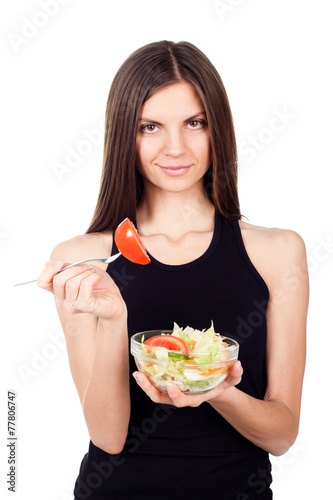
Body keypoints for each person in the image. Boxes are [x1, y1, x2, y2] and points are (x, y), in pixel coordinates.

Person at [37, 40, 309, 499]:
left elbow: (281, 436)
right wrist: (114, 318)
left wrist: (217, 389)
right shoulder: (82, 260)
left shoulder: (278, 251)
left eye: (194, 123)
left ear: (215, 127)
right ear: (126, 133)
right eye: (151, 126)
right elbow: (108, 436)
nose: (176, 147)